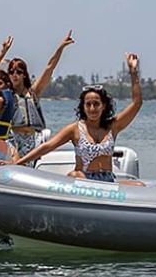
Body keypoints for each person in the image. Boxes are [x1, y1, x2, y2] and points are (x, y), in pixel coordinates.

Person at [10, 53, 142, 182]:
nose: (92, 109)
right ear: (83, 107)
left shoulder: (113, 126)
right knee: (75, 175)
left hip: (108, 180)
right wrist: (18, 162)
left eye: (96, 104)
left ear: (104, 106)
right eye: (88, 104)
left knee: (139, 185)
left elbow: (137, 103)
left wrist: (133, 72)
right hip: (83, 179)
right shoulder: (75, 129)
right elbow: (48, 146)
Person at [0, 31, 75, 164]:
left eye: (19, 72)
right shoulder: (7, 94)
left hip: (34, 138)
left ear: (24, 75)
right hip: (14, 139)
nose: (14, 75)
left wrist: (61, 47)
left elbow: (49, 67)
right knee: (17, 165)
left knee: (33, 167)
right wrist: (3, 51)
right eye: (11, 72)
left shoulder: (34, 92)